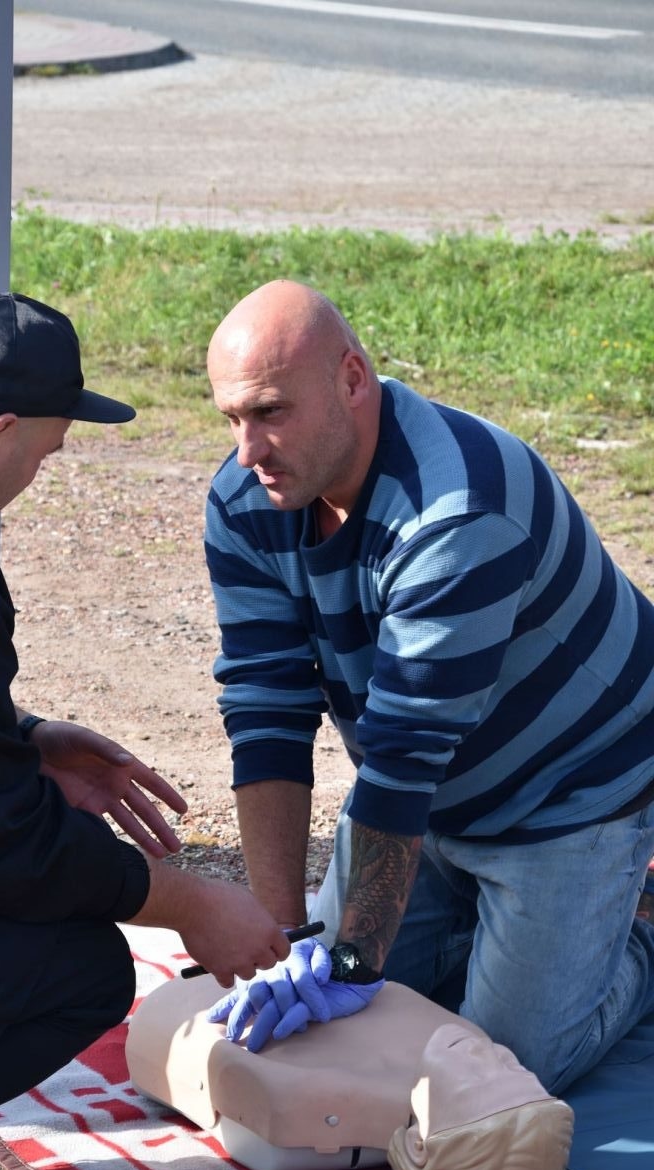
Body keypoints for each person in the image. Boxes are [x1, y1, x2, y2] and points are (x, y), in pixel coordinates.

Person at [0, 292, 290, 1170]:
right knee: (79, 968)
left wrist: (17, 739)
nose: (36, 475)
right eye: (46, 455)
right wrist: (178, 900)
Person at [203, 278, 654, 1097]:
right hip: (430, 793)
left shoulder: (458, 512)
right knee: (345, 1016)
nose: (247, 451)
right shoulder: (246, 498)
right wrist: (283, 937)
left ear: (351, 379)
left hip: (572, 789)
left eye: (270, 412)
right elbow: (266, 707)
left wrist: (346, 958)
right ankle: (493, 926)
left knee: (502, 1071)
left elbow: (404, 758)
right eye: (231, 418)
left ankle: (638, 930)